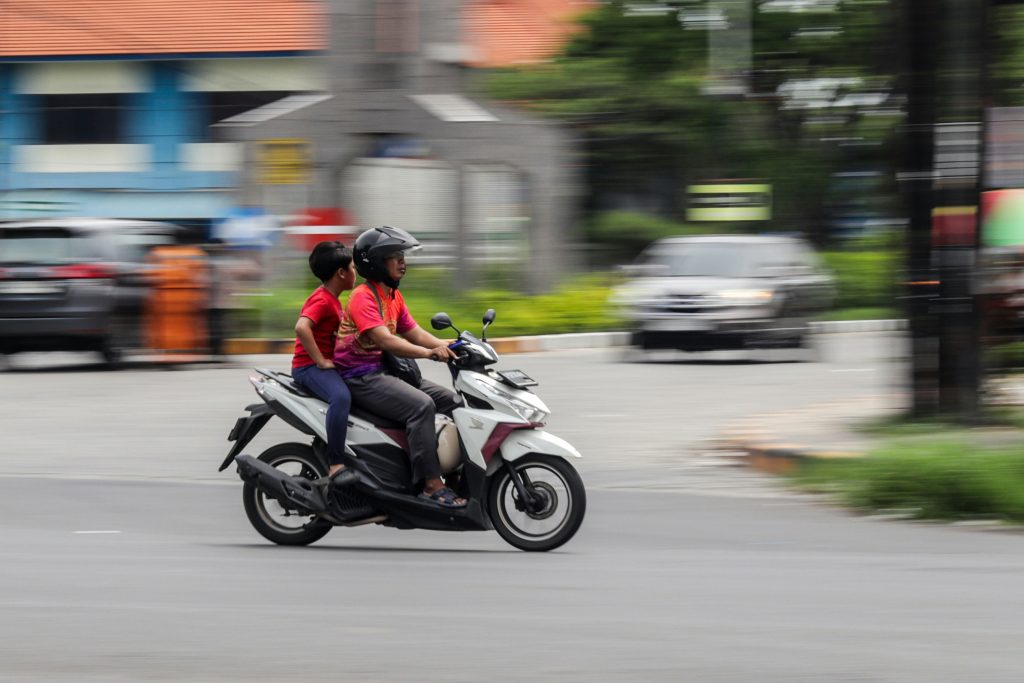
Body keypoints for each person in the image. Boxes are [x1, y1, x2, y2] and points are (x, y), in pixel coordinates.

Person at [333, 226, 465, 508]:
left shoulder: (392, 296)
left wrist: (454, 344)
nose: (403, 262)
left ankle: (456, 474)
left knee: (455, 402)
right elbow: (386, 340)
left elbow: (415, 332)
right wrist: (430, 353)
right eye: (395, 256)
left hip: (387, 371)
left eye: (402, 256)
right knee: (422, 406)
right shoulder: (362, 297)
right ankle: (430, 485)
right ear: (377, 262)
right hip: (361, 376)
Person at [291, 241, 357, 479]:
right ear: (341, 273)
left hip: (318, 365)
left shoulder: (334, 299)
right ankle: (336, 464)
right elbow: (302, 327)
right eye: (352, 267)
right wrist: (320, 361)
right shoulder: (323, 300)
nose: (355, 271)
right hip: (307, 367)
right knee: (340, 397)